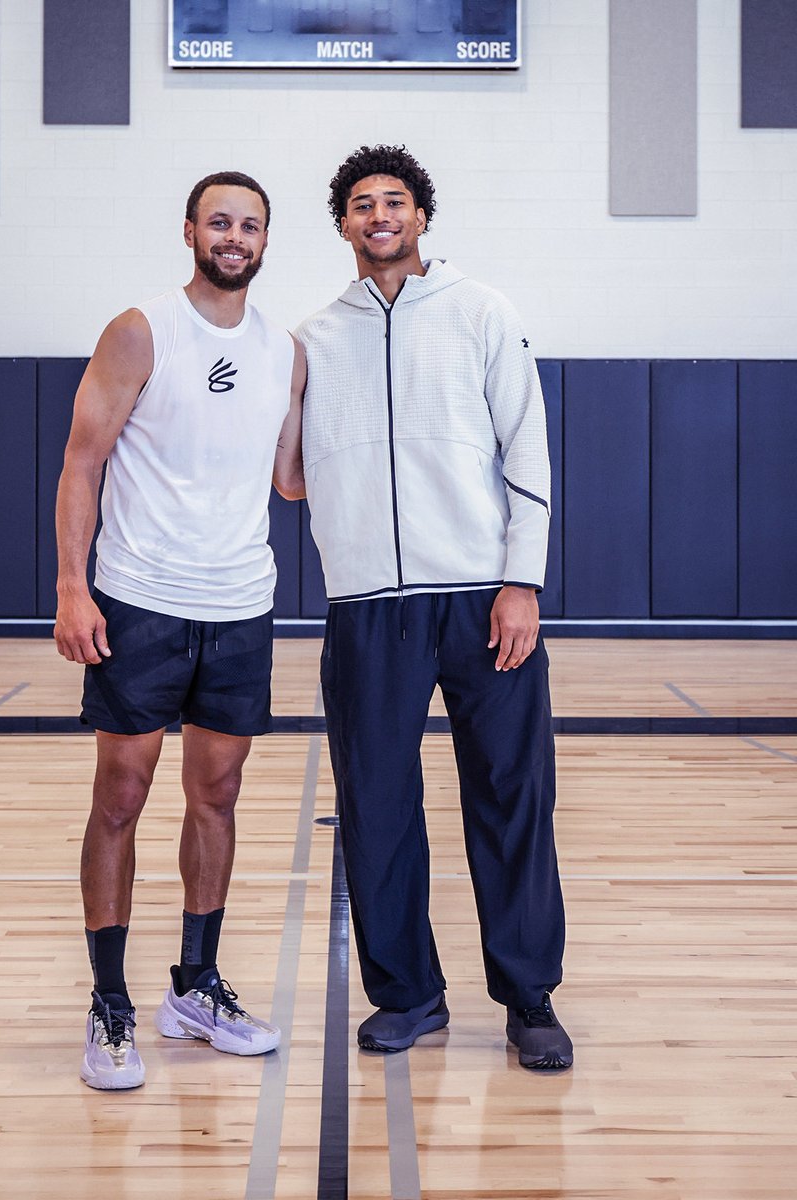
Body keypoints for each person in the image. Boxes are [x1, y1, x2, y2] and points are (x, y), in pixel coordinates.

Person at [292, 145, 572, 1069]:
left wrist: (521, 582)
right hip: (368, 607)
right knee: (376, 804)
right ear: (343, 223)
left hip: (483, 597)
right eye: (363, 203)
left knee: (511, 795)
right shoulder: (312, 339)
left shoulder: (482, 312)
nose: (380, 215)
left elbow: (526, 450)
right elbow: (290, 477)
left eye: (396, 200)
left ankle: (528, 998)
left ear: (421, 216)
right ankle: (409, 995)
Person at [54, 170, 306, 1090]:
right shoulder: (140, 330)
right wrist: (72, 589)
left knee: (219, 795)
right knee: (120, 795)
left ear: (267, 241)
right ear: (191, 230)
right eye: (220, 222)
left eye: (250, 225)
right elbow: (82, 464)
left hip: (241, 604)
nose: (234, 237)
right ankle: (110, 1001)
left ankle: (195, 987)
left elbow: (291, 478)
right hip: (140, 599)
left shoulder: (290, 350)